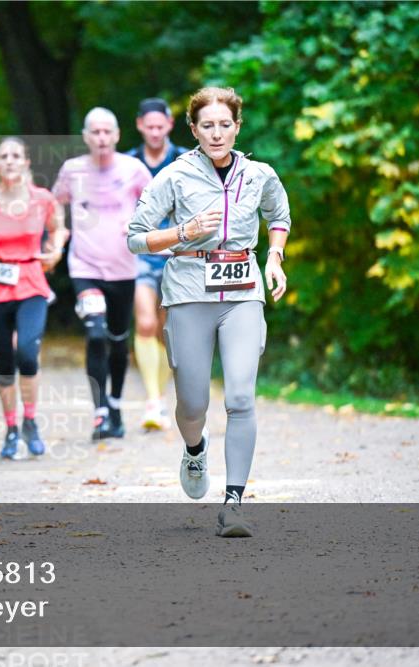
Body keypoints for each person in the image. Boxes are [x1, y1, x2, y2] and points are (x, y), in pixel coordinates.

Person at [127, 86, 291, 538]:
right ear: (193, 129)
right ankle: (194, 449)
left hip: (242, 292)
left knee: (240, 398)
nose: (216, 133)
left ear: (237, 126)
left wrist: (274, 257)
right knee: (194, 403)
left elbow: (279, 216)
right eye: (207, 125)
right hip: (188, 292)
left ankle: (234, 503)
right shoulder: (174, 176)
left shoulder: (259, 174)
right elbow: (136, 236)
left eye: (225, 124)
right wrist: (180, 231)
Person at [0, 137, 68, 459]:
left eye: (15, 156)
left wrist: (57, 249)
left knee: (26, 352)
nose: (9, 161)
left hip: (31, 281)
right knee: (5, 362)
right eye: (3, 156)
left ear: (26, 162)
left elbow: (58, 227)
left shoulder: (42, 199)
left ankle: (31, 421)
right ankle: (10, 429)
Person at [52, 108, 153, 441]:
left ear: (117, 135)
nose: (101, 138)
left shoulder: (133, 169)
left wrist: (138, 222)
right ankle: (99, 413)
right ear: (85, 137)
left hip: (124, 269)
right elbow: (53, 205)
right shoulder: (73, 170)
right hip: (85, 267)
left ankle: (115, 405)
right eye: (95, 132)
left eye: (107, 132)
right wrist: (58, 234)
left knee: (118, 341)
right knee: (95, 334)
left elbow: (156, 205)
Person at [127, 98, 190, 431]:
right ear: (140, 126)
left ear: (169, 124)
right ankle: (152, 400)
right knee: (146, 323)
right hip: (140, 255)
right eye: (148, 127)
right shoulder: (128, 162)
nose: (154, 132)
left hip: (177, 254)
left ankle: (160, 396)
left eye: (159, 126)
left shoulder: (185, 159)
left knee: (169, 330)